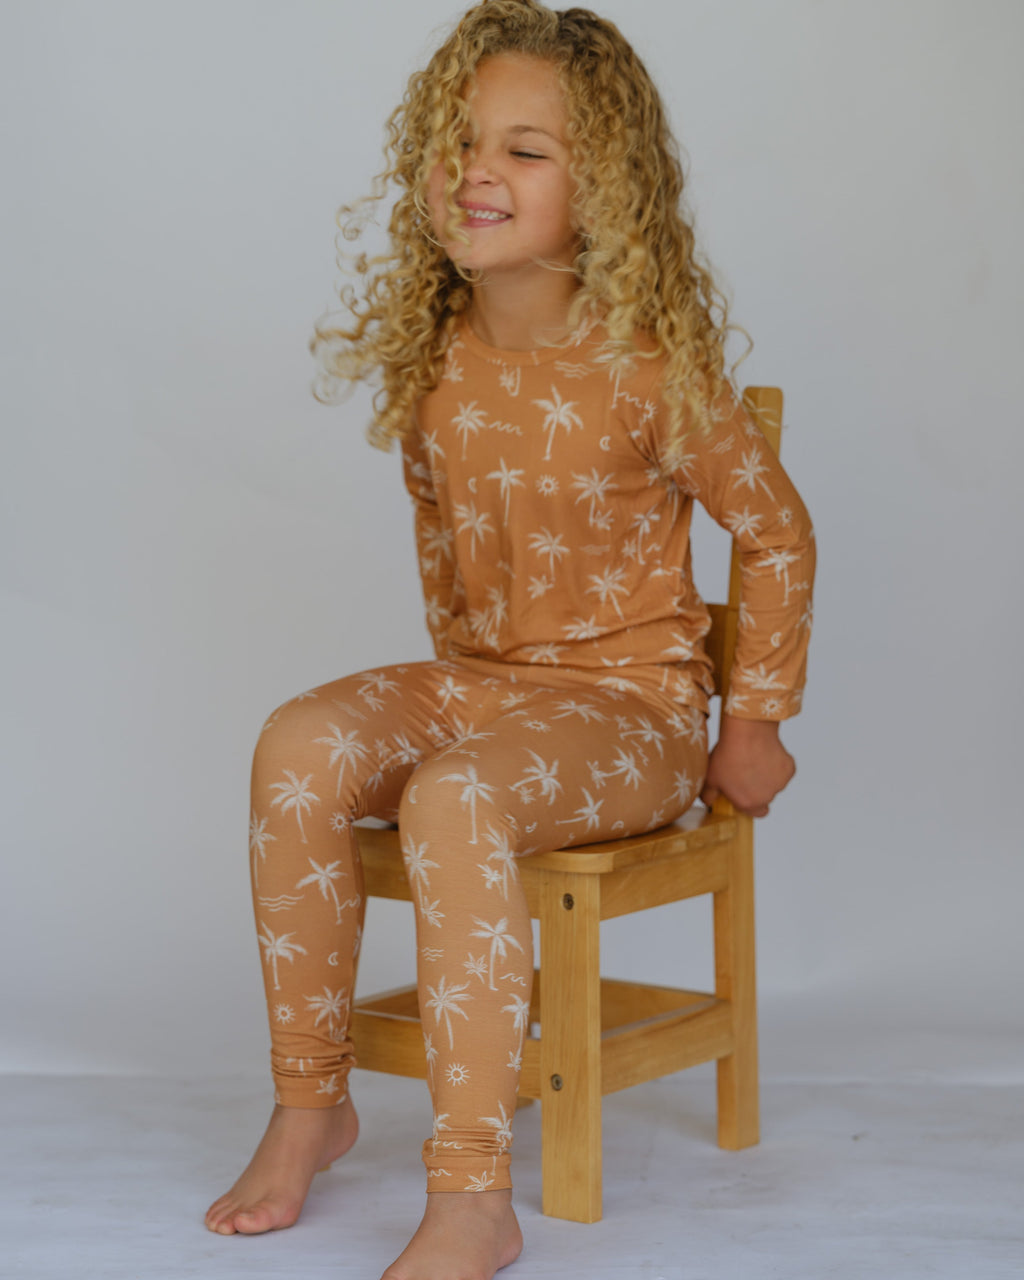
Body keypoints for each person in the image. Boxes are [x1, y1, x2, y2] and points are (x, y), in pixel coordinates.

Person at [204, 2, 815, 1277]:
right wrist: (454, 697)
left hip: (633, 716)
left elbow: (777, 534)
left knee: (452, 799)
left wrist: (752, 717)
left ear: (608, 190)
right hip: (487, 689)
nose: (474, 171)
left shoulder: (656, 370)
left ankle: (474, 1187)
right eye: (459, 142)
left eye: (524, 150)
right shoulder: (436, 360)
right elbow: (450, 563)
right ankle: (310, 1098)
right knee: (299, 744)